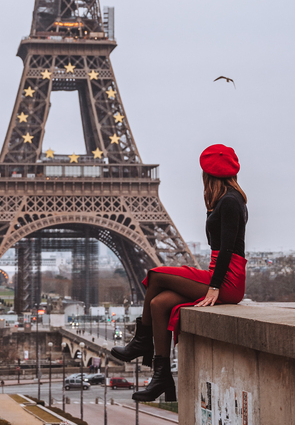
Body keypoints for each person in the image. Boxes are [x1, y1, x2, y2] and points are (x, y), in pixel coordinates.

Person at [111, 144, 248, 403]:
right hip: (220, 273)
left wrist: (215, 286)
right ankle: (162, 376)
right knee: (159, 303)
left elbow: (228, 249)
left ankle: (142, 341)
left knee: (155, 275)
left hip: (227, 279)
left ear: (208, 173)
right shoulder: (226, 199)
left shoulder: (230, 201)